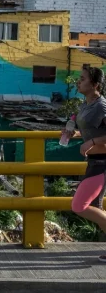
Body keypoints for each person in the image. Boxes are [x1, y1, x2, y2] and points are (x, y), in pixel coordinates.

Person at [68, 67, 106, 260]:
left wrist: (91, 142)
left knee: (79, 205)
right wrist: (72, 134)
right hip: (93, 162)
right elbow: (90, 130)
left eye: (82, 79)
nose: (78, 82)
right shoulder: (86, 104)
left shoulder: (101, 106)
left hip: (102, 163)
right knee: (97, 209)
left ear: (94, 85)